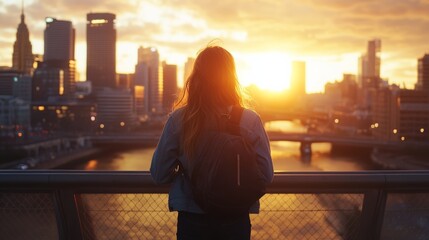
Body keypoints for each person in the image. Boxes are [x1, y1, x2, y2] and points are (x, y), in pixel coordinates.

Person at [150, 45, 274, 240]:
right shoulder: (250, 120)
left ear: (196, 77)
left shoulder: (180, 119)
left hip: (193, 218)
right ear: (231, 77)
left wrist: (187, 171)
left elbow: (159, 174)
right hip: (235, 219)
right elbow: (266, 176)